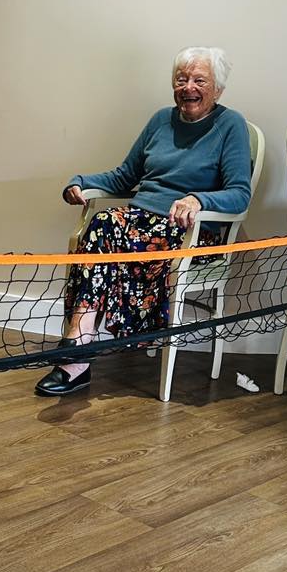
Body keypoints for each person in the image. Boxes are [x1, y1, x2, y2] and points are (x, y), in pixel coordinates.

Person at [35, 47, 252, 397]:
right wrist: (81, 183)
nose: (188, 87)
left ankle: (75, 356)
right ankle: (79, 344)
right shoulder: (160, 121)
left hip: (191, 233)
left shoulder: (231, 125)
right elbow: (124, 176)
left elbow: (240, 193)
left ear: (218, 89)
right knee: (103, 223)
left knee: (114, 235)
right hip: (141, 222)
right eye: (181, 79)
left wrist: (199, 200)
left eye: (199, 80)